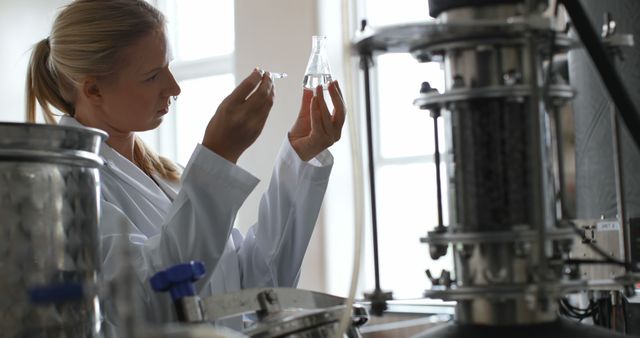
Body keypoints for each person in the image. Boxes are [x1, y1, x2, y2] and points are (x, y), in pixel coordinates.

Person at [25, 0, 345, 334]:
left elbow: (253, 288)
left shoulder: (167, 177)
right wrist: (219, 156)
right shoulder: (64, 186)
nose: (174, 88)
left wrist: (300, 159)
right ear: (93, 89)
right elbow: (149, 302)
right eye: (152, 76)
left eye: (168, 66)